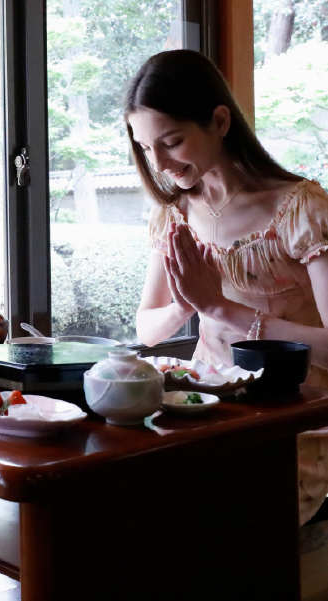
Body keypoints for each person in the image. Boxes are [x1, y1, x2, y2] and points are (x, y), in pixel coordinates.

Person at [124, 49, 328, 526]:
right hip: (204, 413)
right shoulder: (176, 214)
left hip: (293, 424)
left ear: (219, 121)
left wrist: (217, 306)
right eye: (145, 147)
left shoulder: (300, 209)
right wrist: (183, 305)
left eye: (172, 142)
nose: (159, 163)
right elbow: (147, 330)